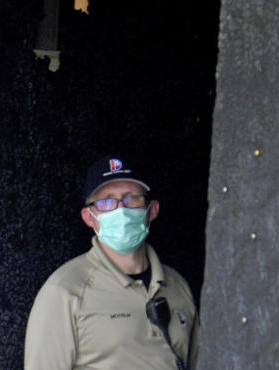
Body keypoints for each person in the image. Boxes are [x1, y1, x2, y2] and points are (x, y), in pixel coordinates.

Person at [24, 157, 199, 369]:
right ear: (89, 217)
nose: (121, 210)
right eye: (106, 202)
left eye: (132, 198)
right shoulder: (64, 291)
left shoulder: (177, 286)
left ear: (152, 210)